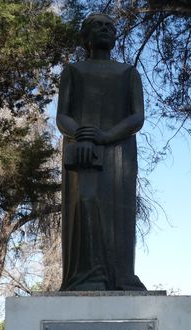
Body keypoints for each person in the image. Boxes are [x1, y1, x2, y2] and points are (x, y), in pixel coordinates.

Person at [57, 13, 146, 291]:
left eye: (110, 26)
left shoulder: (128, 73)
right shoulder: (73, 70)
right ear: (87, 36)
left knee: (120, 212)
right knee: (86, 204)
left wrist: (107, 135)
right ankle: (87, 276)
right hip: (83, 151)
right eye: (98, 25)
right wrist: (79, 133)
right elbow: (62, 116)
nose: (105, 29)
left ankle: (121, 275)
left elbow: (137, 117)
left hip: (120, 153)